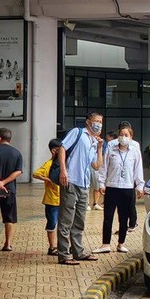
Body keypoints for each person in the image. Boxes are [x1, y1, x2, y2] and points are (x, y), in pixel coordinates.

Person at [57, 112, 104, 265]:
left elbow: (96, 166)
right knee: (66, 219)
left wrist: (99, 148)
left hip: (84, 185)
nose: (98, 124)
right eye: (96, 121)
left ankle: (78, 252)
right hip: (71, 180)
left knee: (79, 220)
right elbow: (62, 148)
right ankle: (64, 255)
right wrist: (64, 171)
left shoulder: (93, 141)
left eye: (100, 122)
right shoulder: (77, 133)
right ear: (88, 121)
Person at [94, 124, 144, 254]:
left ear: (131, 137)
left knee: (124, 218)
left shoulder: (134, 151)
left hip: (127, 188)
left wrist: (140, 186)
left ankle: (121, 243)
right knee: (108, 217)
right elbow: (104, 166)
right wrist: (101, 183)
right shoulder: (111, 148)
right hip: (112, 187)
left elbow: (138, 169)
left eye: (126, 135)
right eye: (121, 134)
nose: (123, 137)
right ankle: (105, 244)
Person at [32, 139, 62, 256]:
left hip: (63, 200)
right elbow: (36, 174)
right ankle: (52, 247)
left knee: (64, 224)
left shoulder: (63, 164)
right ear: (54, 151)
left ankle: (63, 246)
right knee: (52, 223)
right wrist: (48, 179)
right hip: (51, 200)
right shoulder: (49, 164)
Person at [89, 130, 115, 211]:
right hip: (90, 165)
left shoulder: (104, 143)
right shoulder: (88, 140)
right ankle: (87, 204)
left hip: (98, 165)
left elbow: (104, 155)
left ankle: (95, 203)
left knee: (97, 185)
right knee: (88, 186)